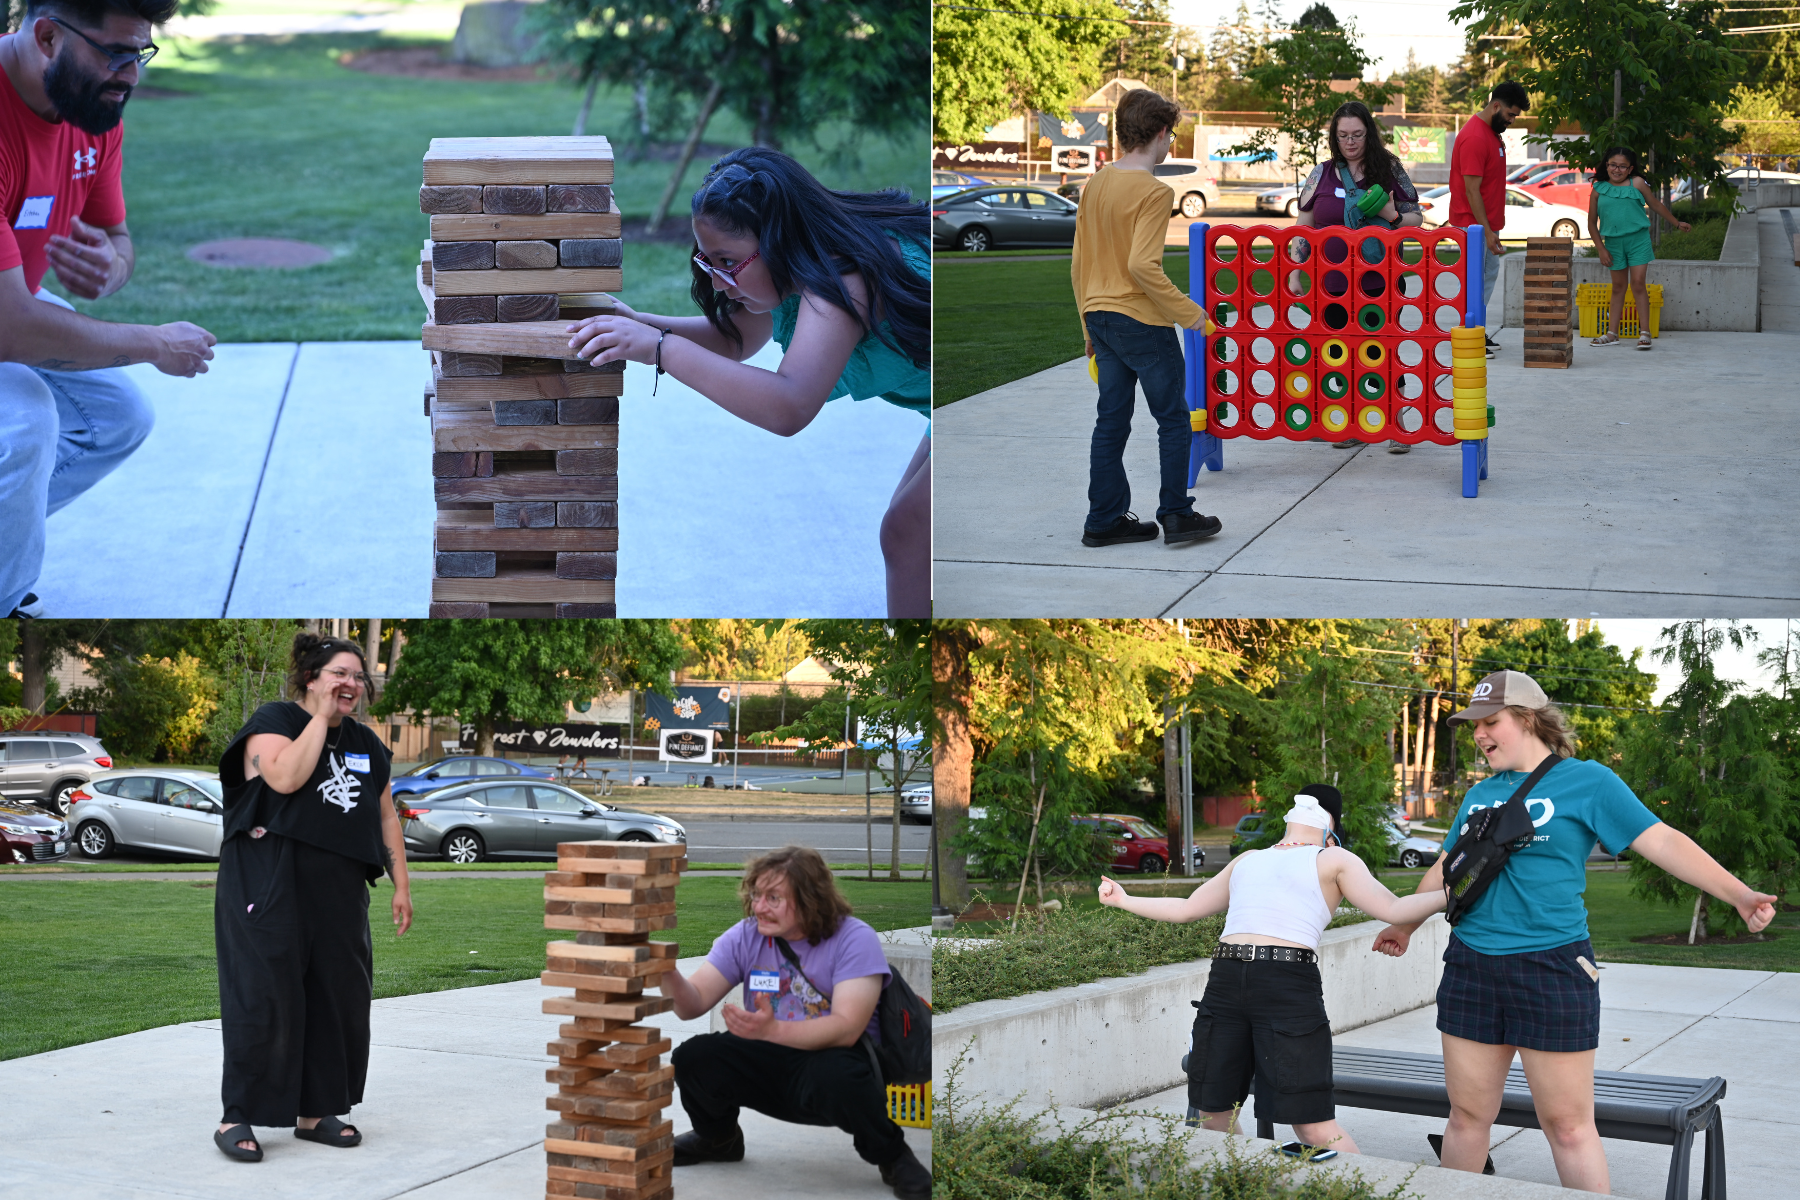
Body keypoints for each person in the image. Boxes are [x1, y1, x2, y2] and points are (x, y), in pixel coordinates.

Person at [1372, 669, 1776, 1192]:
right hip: (1471, 964)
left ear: (1528, 719)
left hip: (1552, 967)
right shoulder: (1480, 795)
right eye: (1474, 725)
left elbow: (1665, 842)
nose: (1478, 734)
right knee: (1467, 1117)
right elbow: (1448, 869)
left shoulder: (1589, 782)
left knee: (1566, 1125)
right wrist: (1404, 924)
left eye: (1490, 722)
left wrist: (1739, 895)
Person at [563, 148, 929, 618]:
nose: (717, 282)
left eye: (727, 262)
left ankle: (918, 674)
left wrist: (660, 349)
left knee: (907, 534)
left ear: (778, 241)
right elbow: (732, 340)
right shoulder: (789, 268)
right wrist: (638, 324)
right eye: (708, 262)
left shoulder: (842, 281)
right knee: (906, 537)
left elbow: (788, 406)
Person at [0, 0, 217, 619]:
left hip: (7, 294)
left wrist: (110, 268)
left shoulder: (89, 112)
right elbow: (10, 328)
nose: (130, 74)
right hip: (5, 308)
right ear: (46, 36)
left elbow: (117, 242)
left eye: (139, 53)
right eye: (115, 53)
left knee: (117, 415)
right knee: (25, 421)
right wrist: (152, 343)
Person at [1098, 792, 1448, 1155]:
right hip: (1226, 982)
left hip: (1286, 983)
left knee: (1311, 1123)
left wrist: (1454, 892)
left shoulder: (1332, 859)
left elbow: (1393, 908)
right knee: (1211, 1114)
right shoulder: (1250, 860)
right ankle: (1236, 1187)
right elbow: (1188, 907)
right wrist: (1124, 899)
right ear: (1329, 830)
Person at [210, 633, 413, 1162]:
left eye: (356, 676)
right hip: (269, 881)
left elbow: (385, 814)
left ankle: (316, 1111)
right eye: (338, 674)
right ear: (311, 679)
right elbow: (283, 779)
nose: (350, 684)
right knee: (265, 994)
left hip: (340, 889)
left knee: (337, 996)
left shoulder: (367, 743)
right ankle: (238, 1116)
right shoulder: (274, 721)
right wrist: (320, 721)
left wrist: (402, 886)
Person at [659, 845, 930, 1200]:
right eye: (756, 895)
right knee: (694, 1057)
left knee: (837, 1075)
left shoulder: (853, 938)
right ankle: (718, 1138)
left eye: (773, 898)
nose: (759, 907)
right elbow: (690, 1006)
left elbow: (847, 1027)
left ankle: (893, 1156)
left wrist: (772, 1030)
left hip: (835, 1060)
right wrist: (663, 967)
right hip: (769, 1059)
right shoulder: (746, 935)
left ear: (810, 898)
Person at [1073, 86, 1223, 549]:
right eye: (1171, 134)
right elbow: (1143, 266)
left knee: (1111, 421)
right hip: (1141, 322)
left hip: (1100, 317)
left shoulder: (1097, 182)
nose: (1171, 143)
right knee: (1174, 419)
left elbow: (1079, 261)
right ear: (1160, 133)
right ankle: (1177, 514)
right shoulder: (1155, 192)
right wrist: (1193, 315)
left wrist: (1087, 328)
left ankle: (1103, 521)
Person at [1294, 101, 1425, 455]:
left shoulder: (1389, 168)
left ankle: (1396, 424)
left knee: (1382, 353)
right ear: (1334, 137)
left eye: (1357, 135)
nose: (1350, 142)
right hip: (1331, 285)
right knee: (1338, 355)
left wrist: (1391, 214)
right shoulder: (1320, 174)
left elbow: (1417, 218)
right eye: (1343, 135)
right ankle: (1350, 423)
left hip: (1378, 283)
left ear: (1369, 133)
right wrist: (1295, 270)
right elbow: (1302, 229)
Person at [1449, 82, 1531, 359]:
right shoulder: (1474, 136)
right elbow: (1472, 190)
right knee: (1473, 280)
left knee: (1486, 276)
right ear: (1496, 106)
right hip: (1471, 225)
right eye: (1510, 114)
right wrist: (1485, 231)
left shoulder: (1491, 134)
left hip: (1483, 225)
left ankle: (1476, 329)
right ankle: (1469, 337)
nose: (1511, 120)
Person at [1587, 146, 1689, 350]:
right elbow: (1591, 222)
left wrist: (1676, 223)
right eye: (1613, 165)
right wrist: (1601, 249)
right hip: (1613, 243)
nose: (1617, 170)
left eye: (1622, 166)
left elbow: (1656, 205)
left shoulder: (1638, 183)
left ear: (1630, 168)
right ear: (1606, 165)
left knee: (1638, 283)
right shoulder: (1598, 188)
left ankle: (1645, 333)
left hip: (1638, 241)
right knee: (1618, 287)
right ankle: (1612, 333)